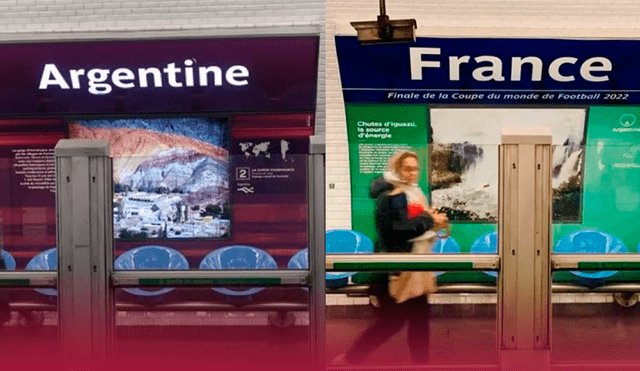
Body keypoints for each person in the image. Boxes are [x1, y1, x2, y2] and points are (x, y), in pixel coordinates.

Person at [331, 149, 448, 365]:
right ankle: (351, 358)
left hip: (415, 267)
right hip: (397, 269)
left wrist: (430, 221)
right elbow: (394, 230)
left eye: (415, 169)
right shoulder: (390, 196)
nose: (412, 173)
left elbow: (414, 225)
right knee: (392, 323)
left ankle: (420, 364)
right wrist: (429, 220)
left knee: (419, 321)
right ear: (397, 169)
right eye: (407, 169)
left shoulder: (414, 192)